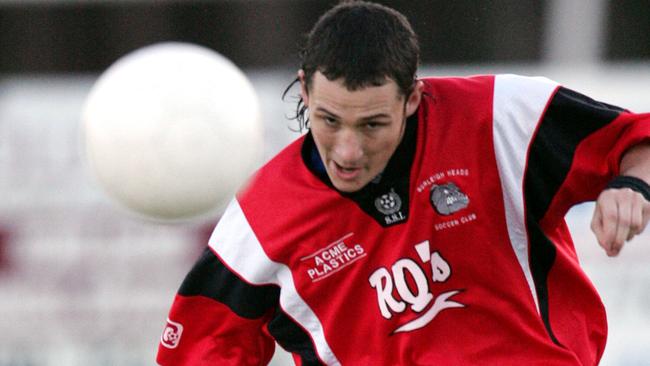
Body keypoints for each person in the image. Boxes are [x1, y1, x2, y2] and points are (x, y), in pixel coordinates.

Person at [156, 1, 650, 365]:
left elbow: (636, 141)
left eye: (372, 125)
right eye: (327, 120)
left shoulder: (498, 117)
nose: (347, 151)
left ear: (412, 98)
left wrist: (634, 186)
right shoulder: (259, 222)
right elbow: (199, 351)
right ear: (305, 89)